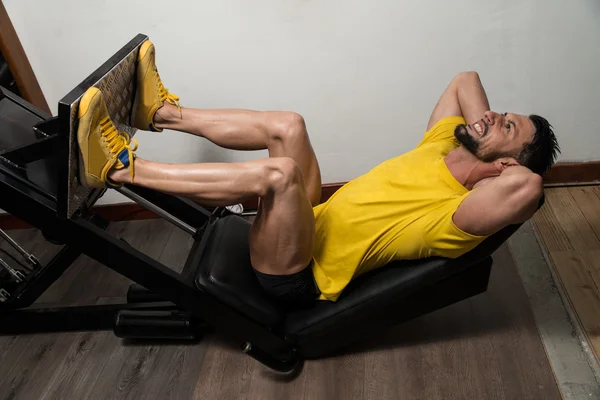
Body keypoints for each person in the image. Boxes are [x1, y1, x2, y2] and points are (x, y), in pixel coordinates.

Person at [77, 40, 560, 308]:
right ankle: (159, 115)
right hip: (310, 221)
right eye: (499, 113)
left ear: (508, 164)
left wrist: (504, 162)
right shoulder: (445, 143)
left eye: (507, 125)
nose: (493, 116)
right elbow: (466, 78)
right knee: (289, 125)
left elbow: (530, 187)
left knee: (281, 173)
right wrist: (489, 129)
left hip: (297, 273)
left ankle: (121, 169)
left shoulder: (458, 216)